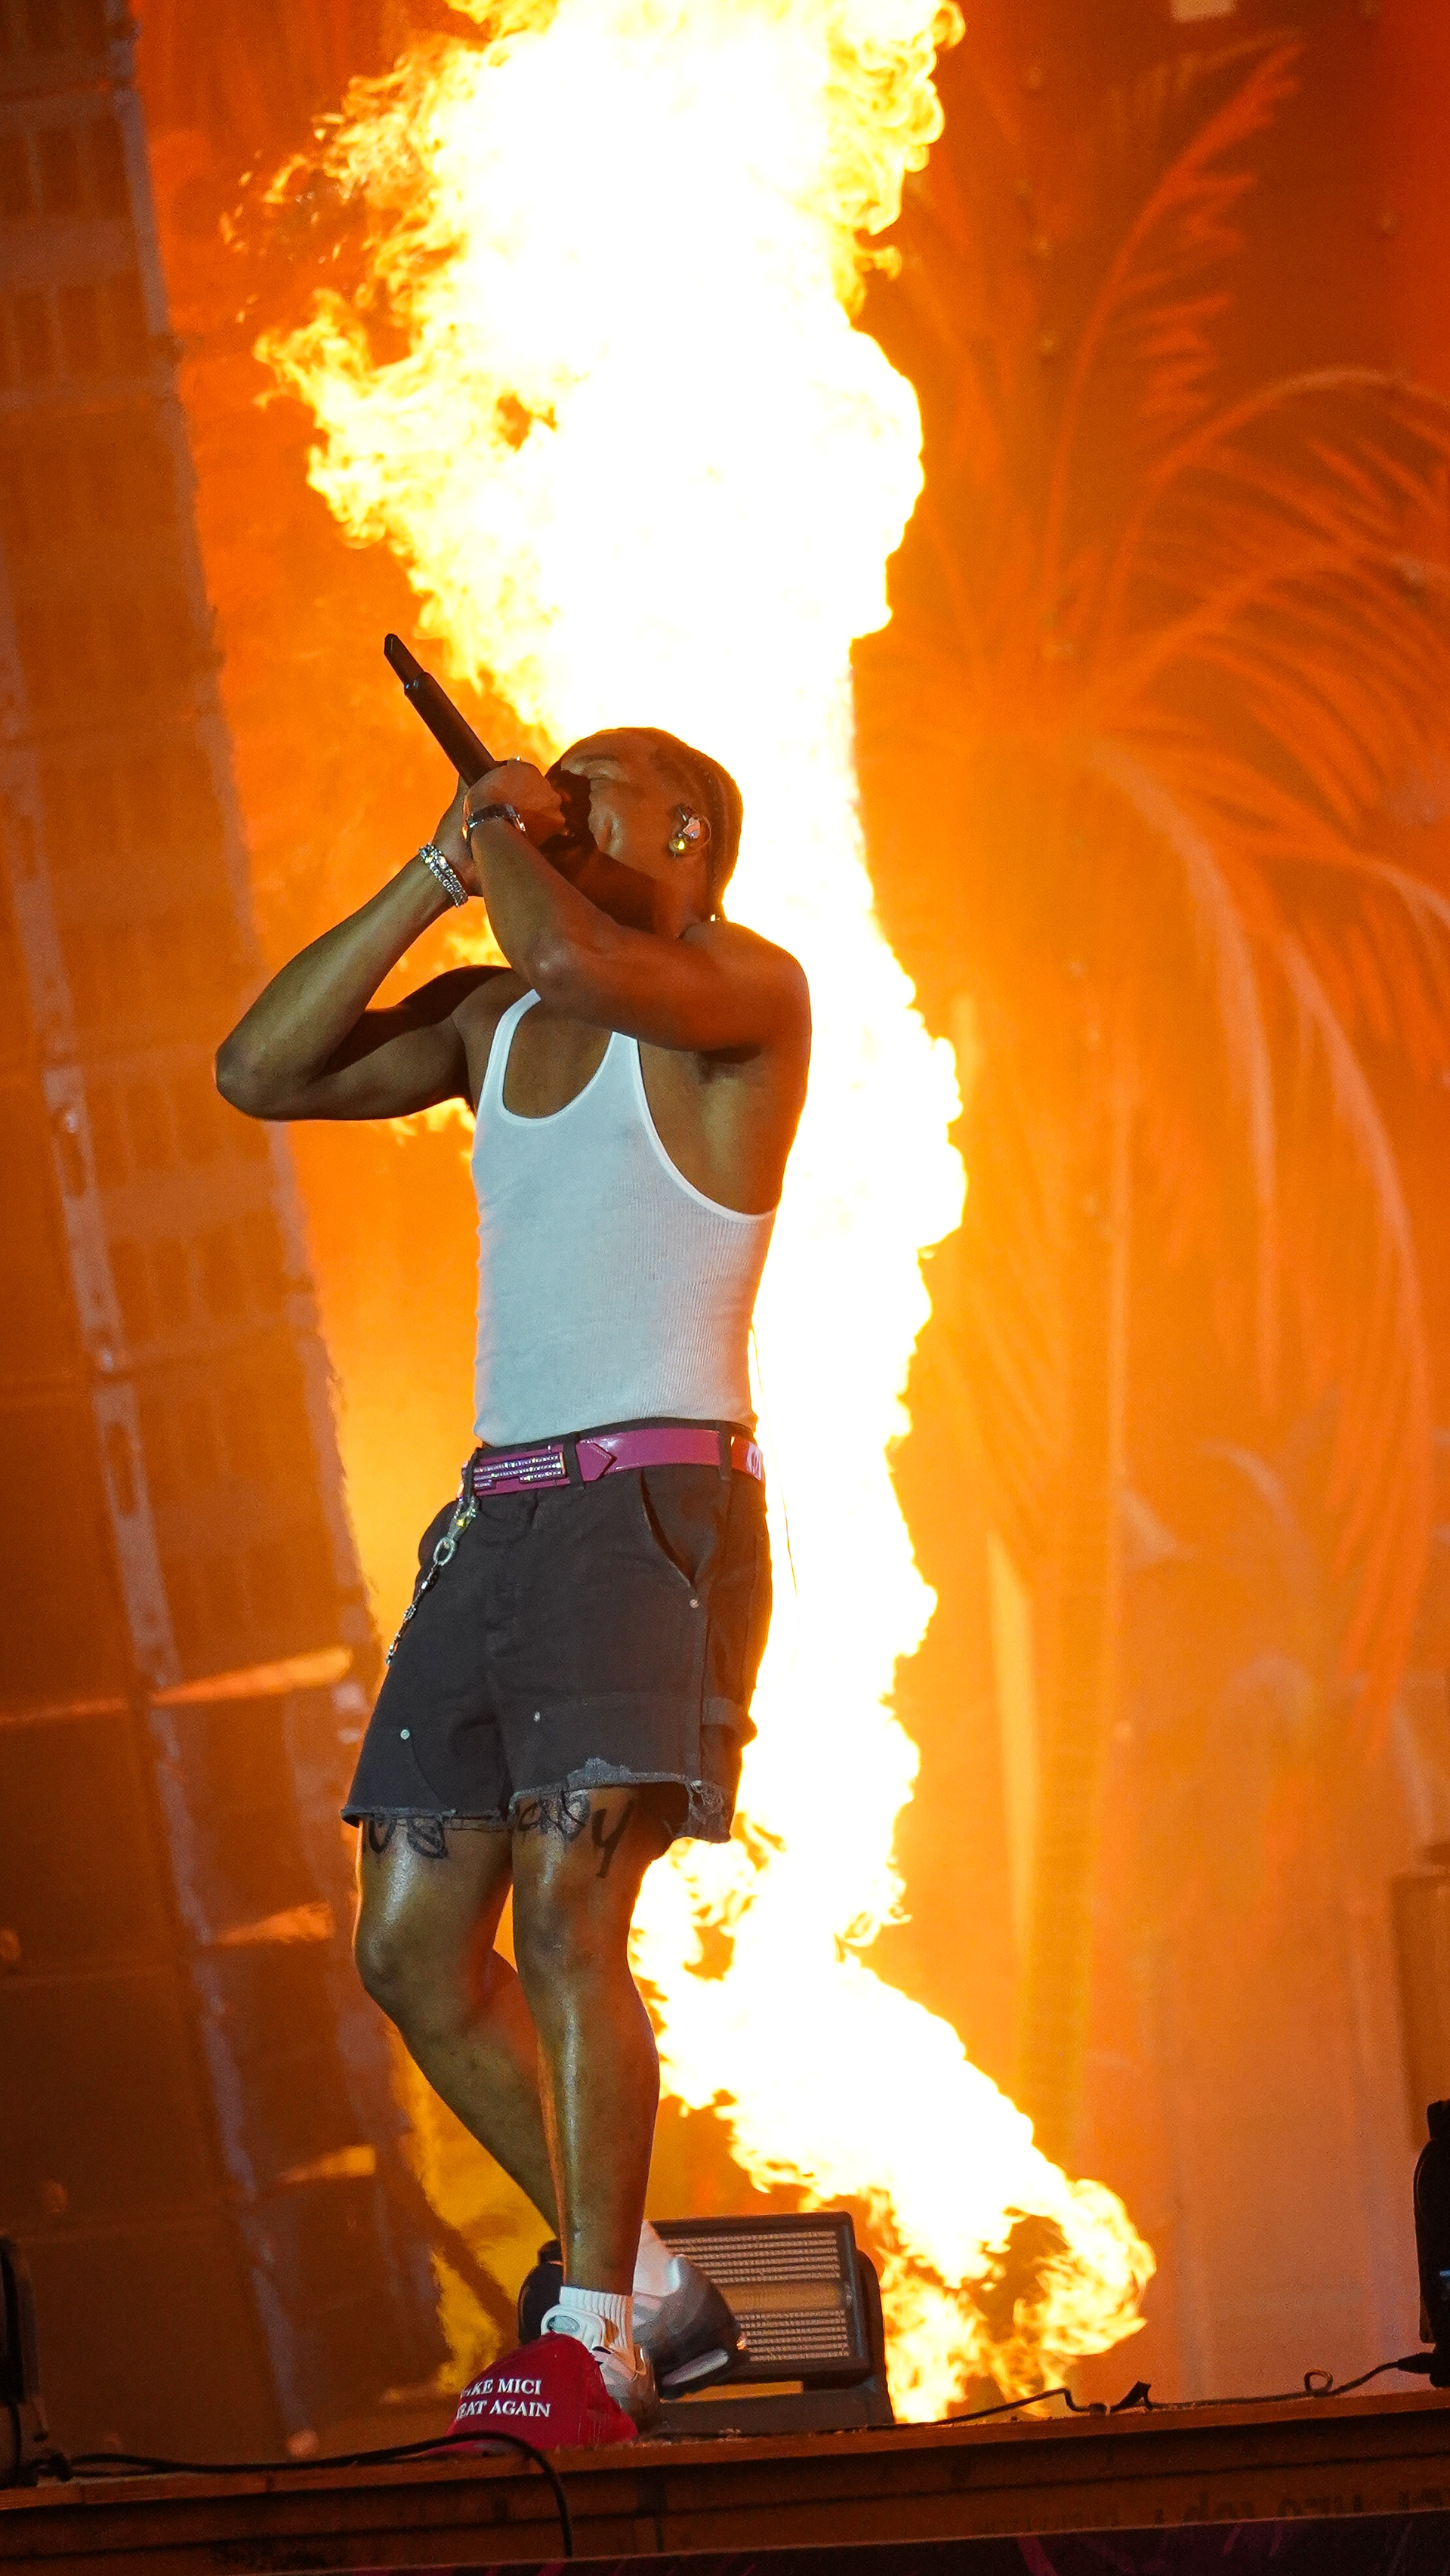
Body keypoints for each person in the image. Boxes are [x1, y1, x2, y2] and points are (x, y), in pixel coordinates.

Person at [216, 722, 810, 2439]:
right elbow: (259, 1068)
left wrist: (499, 843)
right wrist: (434, 867)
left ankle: (599, 2334)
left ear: (687, 832)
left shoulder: (743, 992)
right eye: (547, 775)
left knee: (565, 1912)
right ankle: (662, 2290)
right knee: (409, 1946)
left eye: (598, 778)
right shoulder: (497, 1018)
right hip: (498, 1522)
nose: (557, 788)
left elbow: (571, 953)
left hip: (653, 1510)